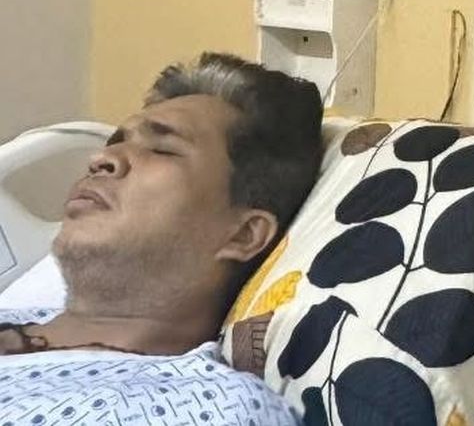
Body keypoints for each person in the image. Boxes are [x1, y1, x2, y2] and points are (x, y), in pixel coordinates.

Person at [0, 52, 324, 425]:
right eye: (116, 141)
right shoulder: (20, 320)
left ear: (243, 234)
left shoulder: (211, 409)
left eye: (162, 149)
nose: (102, 158)